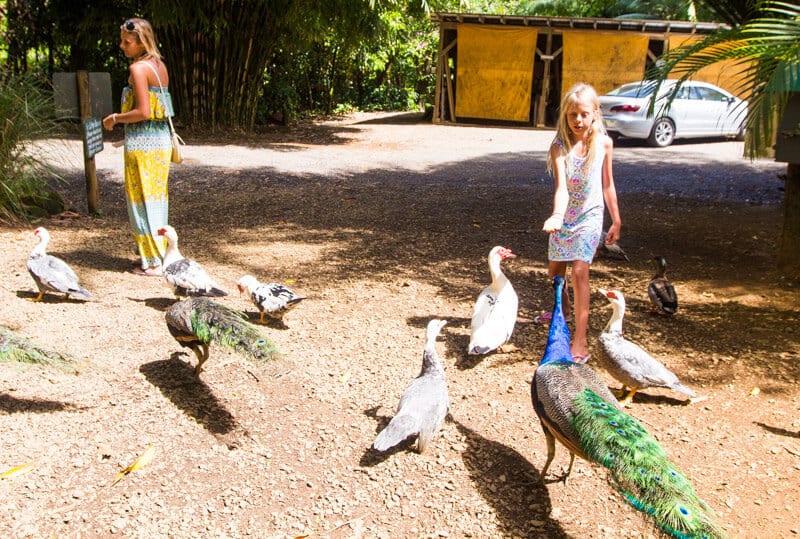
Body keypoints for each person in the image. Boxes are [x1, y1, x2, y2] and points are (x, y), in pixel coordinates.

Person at [542, 82, 622, 362]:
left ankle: (579, 339)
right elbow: (561, 188)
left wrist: (616, 220)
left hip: (590, 215)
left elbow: (608, 185)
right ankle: (560, 312)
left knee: (579, 272)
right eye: (572, 115)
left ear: (595, 115)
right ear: (565, 115)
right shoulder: (559, 146)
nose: (578, 120)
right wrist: (556, 215)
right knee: (555, 273)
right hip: (565, 216)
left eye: (584, 114)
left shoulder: (604, 144)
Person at [102, 18, 172, 276]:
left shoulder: (138, 69)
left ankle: (152, 262)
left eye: (126, 42)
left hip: (143, 143)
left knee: (140, 199)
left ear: (142, 42)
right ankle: (154, 255)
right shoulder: (159, 66)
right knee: (155, 198)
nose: (122, 46)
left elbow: (143, 111)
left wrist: (116, 118)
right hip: (160, 139)